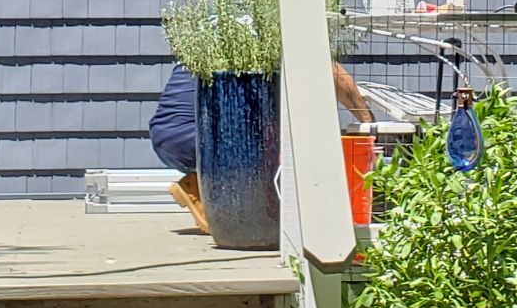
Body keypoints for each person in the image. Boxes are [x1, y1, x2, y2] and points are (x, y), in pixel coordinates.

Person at [152, 60, 372, 233]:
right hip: (204, 140)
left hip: (166, 135)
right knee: (287, 141)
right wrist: (369, 125)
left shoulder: (213, 32)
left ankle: (201, 185)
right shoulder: (272, 31)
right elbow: (334, 76)